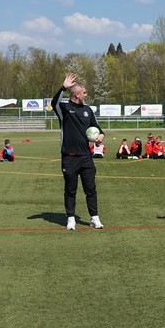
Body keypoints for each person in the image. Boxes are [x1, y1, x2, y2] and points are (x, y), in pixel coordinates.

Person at [52, 72, 104, 230]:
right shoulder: (65, 108)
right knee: (70, 189)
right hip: (69, 157)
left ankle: (94, 218)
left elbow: (98, 129)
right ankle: (71, 219)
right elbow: (54, 103)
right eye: (84, 92)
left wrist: (101, 136)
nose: (86, 95)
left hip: (86, 157)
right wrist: (63, 87)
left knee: (91, 189)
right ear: (76, 94)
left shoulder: (88, 110)